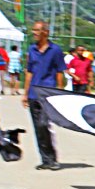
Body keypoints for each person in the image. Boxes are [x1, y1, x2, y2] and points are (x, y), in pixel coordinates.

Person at [22, 21, 66, 170]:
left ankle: (52, 157)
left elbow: (60, 72)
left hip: (48, 93)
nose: (34, 33)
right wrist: (25, 93)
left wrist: (60, 92)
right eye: (33, 30)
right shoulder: (32, 50)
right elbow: (29, 72)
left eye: (37, 30)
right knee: (37, 128)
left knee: (43, 124)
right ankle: (45, 159)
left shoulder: (55, 50)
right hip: (34, 93)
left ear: (45, 32)